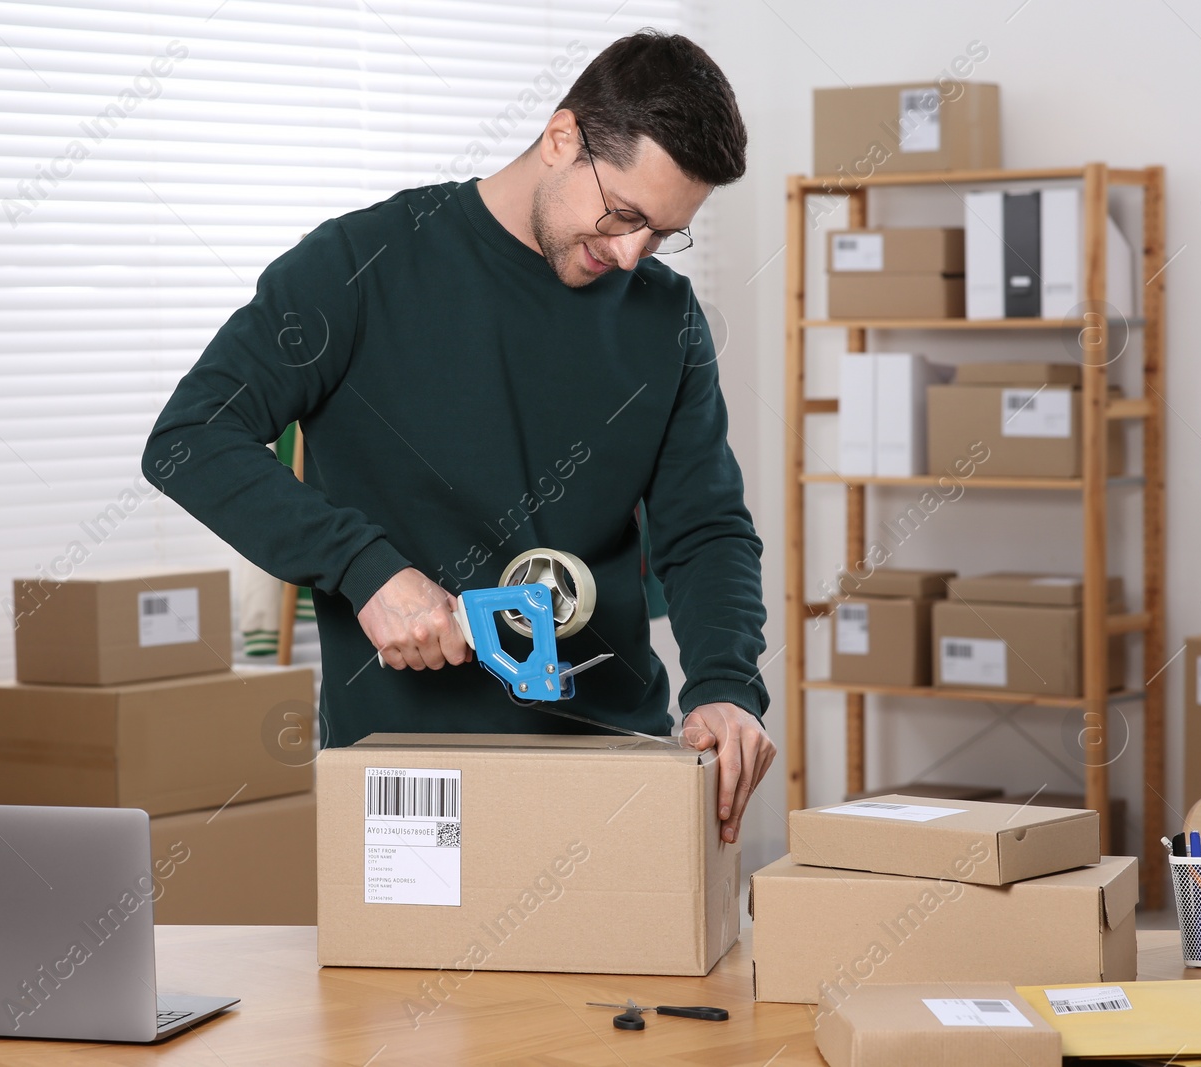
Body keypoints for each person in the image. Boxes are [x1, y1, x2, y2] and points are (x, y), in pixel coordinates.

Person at [144, 30, 773, 844]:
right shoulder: (359, 266)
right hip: (408, 781)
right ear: (561, 138)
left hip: (615, 764)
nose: (629, 254)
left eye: (661, 233)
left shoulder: (665, 318)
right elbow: (191, 437)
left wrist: (726, 685)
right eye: (622, 215)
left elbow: (707, 528)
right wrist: (366, 570)